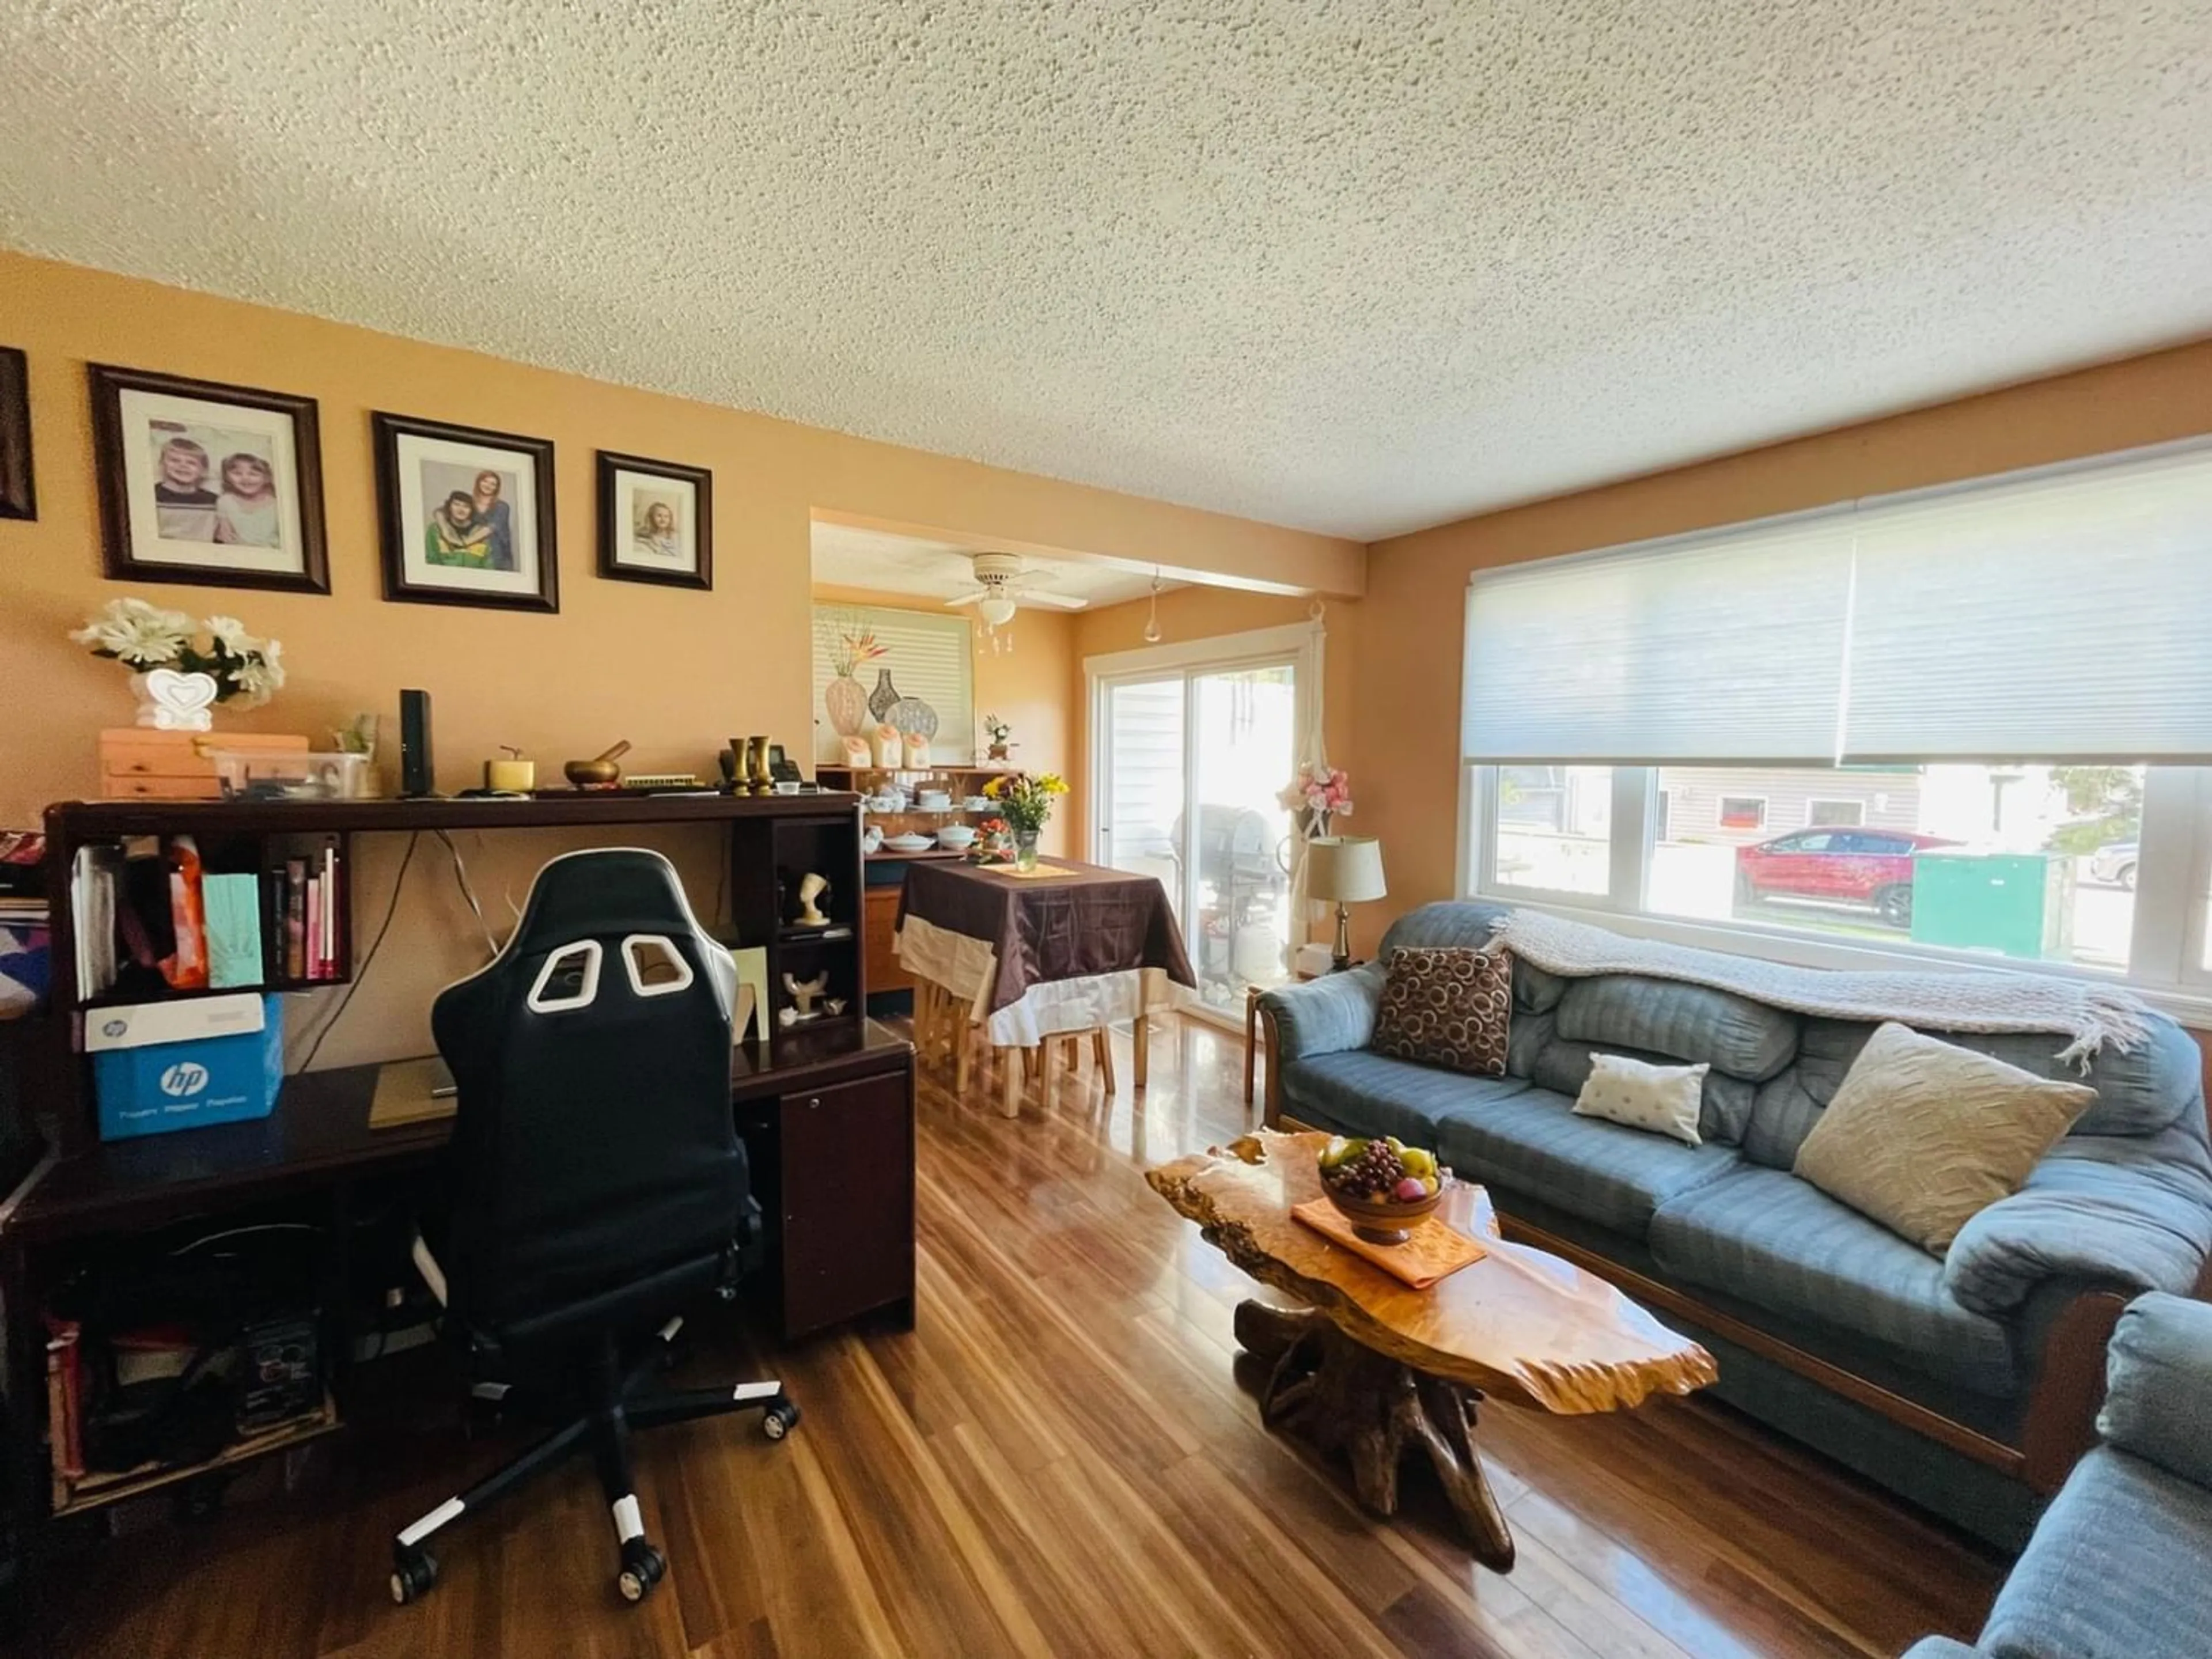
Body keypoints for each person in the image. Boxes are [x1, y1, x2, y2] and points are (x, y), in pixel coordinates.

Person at [151, 435, 218, 540]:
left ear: (203, 471)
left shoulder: (215, 502)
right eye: (175, 460)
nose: (183, 466)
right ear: (162, 464)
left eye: (191, 463)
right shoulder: (151, 496)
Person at [213, 452, 281, 547]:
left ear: (266, 478)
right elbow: (225, 537)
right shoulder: (225, 501)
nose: (245, 478)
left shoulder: (277, 505)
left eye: (253, 474)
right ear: (227, 478)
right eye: (237, 474)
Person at [425, 491, 490, 565]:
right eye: (457, 504)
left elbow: (488, 563)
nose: (461, 509)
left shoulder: (481, 534)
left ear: (472, 511)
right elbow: (431, 559)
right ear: (449, 507)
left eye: (466, 506)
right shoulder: (435, 530)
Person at [471, 470, 514, 569]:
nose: (488, 486)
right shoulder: (469, 503)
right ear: (479, 482)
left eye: (493, 484)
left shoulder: (502, 506)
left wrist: (463, 543)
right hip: (473, 554)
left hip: (497, 554)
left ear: (497, 488)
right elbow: (443, 513)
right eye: (485, 481)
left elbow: (490, 528)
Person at [632, 498, 682, 563]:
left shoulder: (674, 537)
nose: (663, 519)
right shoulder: (646, 537)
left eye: (666, 516)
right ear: (651, 517)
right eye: (659, 516)